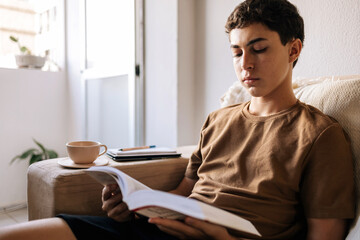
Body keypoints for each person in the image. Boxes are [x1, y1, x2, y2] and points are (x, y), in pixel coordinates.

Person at [0, 0, 354, 239]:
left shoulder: (320, 135)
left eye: (258, 49)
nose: (245, 63)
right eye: (236, 51)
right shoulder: (219, 119)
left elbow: (324, 236)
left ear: (293, 50)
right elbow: (184, 192)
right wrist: (136, 204)